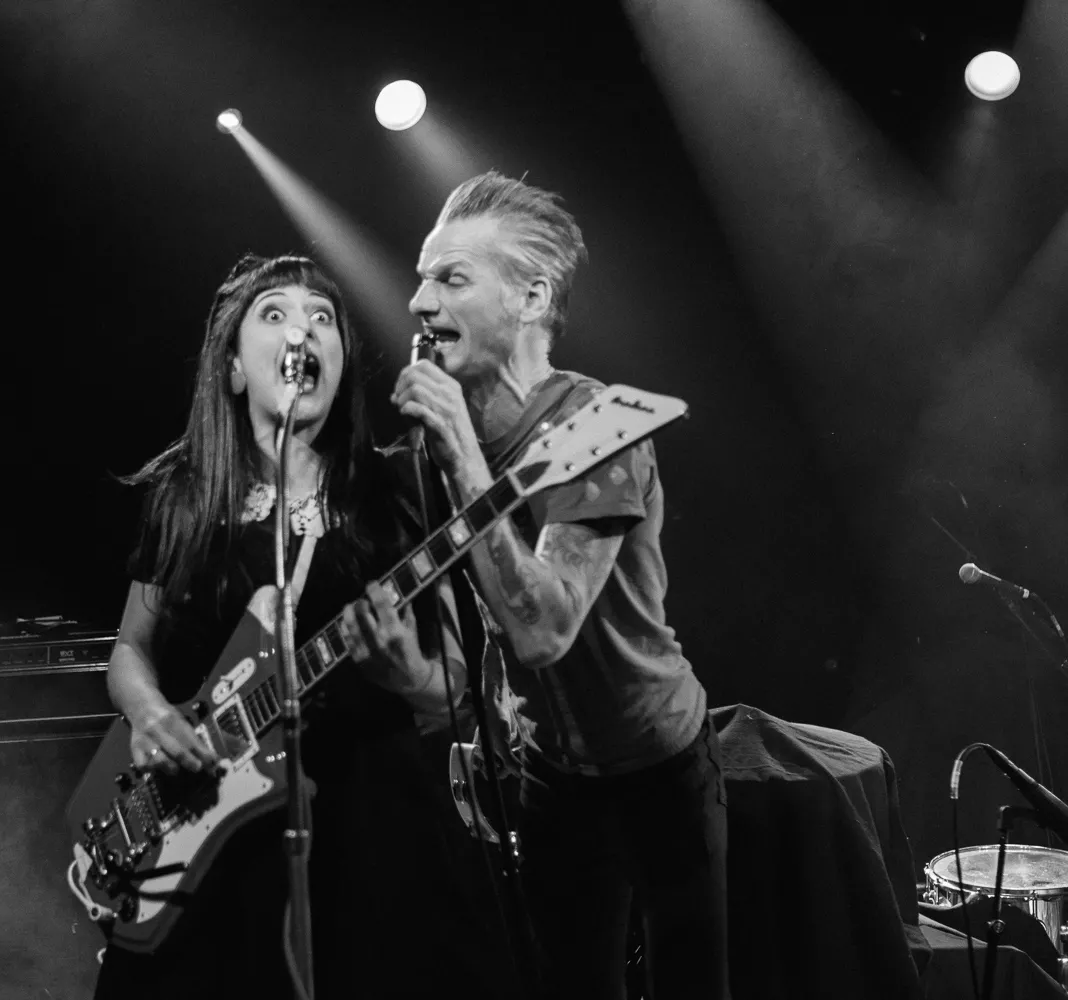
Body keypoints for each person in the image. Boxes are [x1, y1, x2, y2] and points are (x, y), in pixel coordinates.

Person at [93, 254, 490, 1000]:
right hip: (206, 839)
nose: (301, 330)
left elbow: (456, 689)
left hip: (370, 839)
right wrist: (149, 714)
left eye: (322, 317)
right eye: (273, 313)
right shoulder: (183, 495)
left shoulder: (399, 488)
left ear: (340, 364)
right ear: (234, 369)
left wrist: (409, 675)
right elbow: (130, 650)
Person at [377, 171, 730, 1000]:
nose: (419, 302)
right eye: (422, 278)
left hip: (658, 763)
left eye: (451, 278)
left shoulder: (600, 425)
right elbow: (474, 633)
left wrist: (462, 457)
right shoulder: (437, 448)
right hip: (549, 775)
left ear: (531, 297)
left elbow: (545, 628)